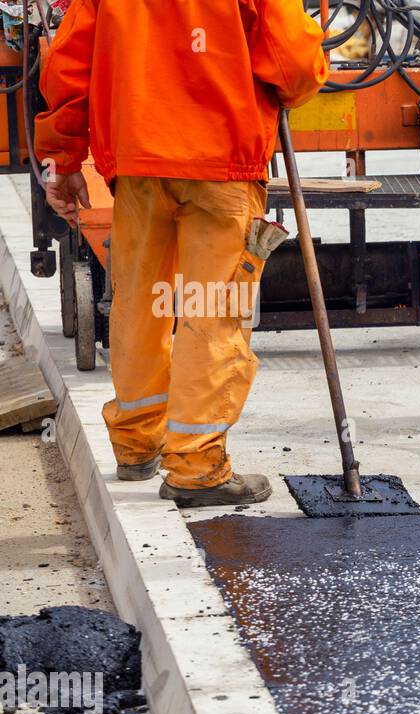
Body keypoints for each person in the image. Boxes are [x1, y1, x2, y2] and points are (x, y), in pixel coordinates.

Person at [36, 0, 329, 507]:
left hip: (137, 162)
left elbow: (69, 65)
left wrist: (61, 159)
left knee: (140, 304)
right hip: (222, 162)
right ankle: (196, 467)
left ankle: (135, 444)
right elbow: (294, 67)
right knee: (211, 310)